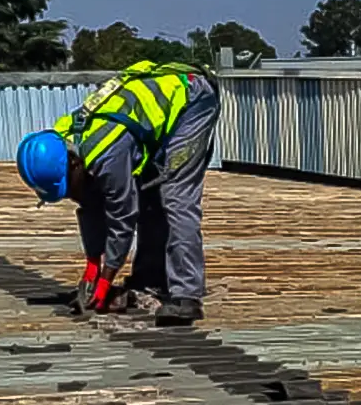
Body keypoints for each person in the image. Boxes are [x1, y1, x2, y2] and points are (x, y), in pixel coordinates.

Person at [13, 59, 220, 325]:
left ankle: (186, 296)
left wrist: (105, 281)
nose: (70, 195)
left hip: (192, 99)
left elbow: (123, 218)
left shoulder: (106, 154)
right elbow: (90, 203)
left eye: (68, 187)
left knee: (176, 198)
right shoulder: (64, 141)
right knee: (149, 196)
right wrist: (92, 266)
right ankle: (149, 279)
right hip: (150, 120)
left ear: (75, 163)